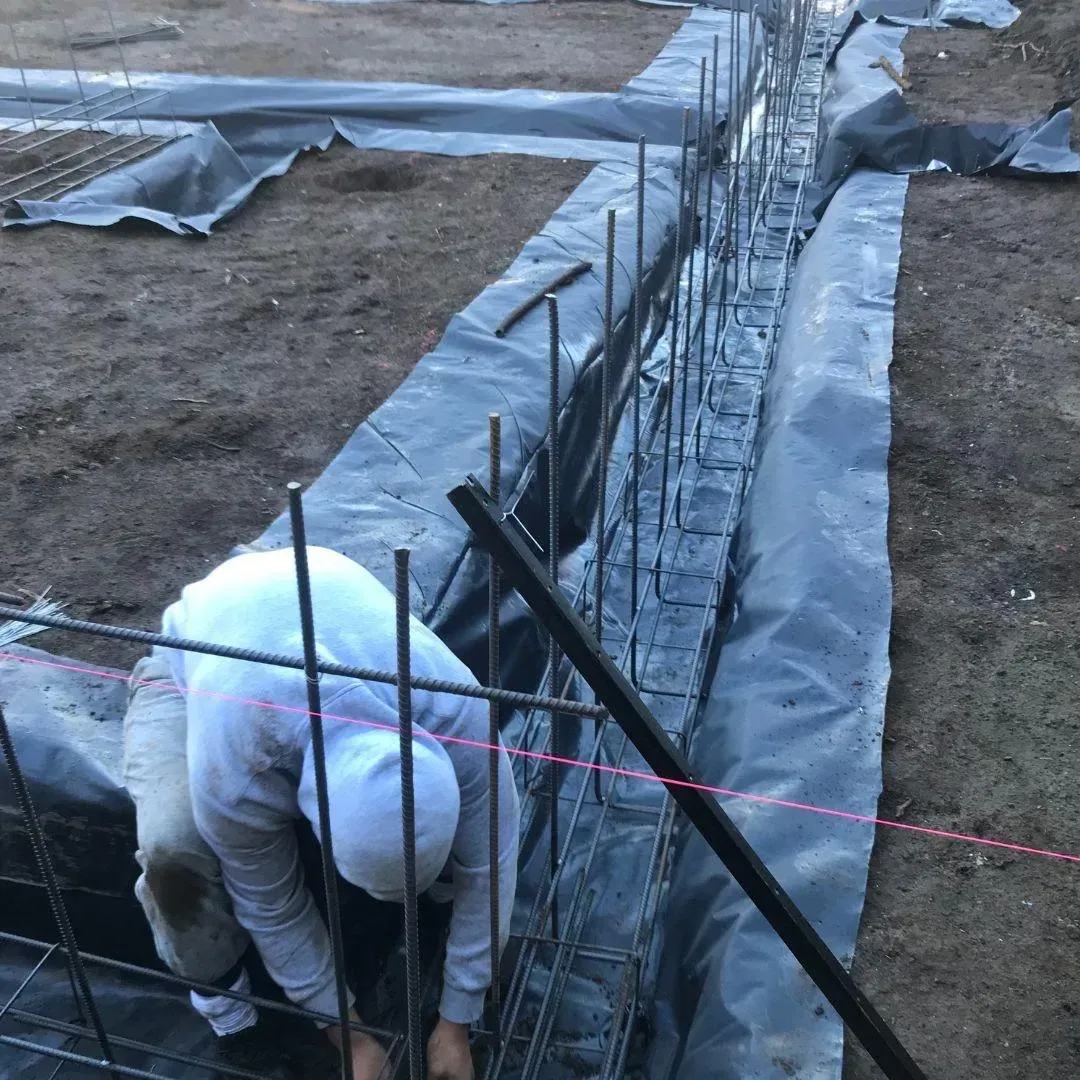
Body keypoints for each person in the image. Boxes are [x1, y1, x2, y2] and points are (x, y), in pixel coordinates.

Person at [122, 545, 520, 1079]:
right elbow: (273, 906)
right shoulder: (237, 764)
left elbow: (491, 860)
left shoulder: (455, 711)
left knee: (447, 844)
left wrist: (456, 1022)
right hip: (194, 660)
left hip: (320, 611)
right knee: (176, 855)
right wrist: (350, 1037)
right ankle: (227, 1009)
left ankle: (431, 887)